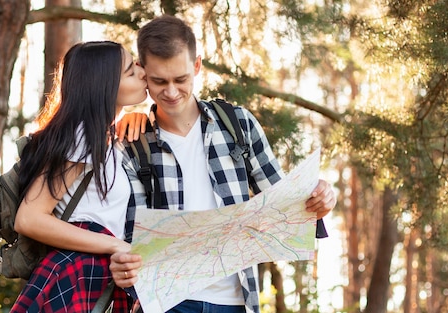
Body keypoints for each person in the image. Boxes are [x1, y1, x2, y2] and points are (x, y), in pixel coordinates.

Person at [112, 15, 336, 313]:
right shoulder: (133, 143)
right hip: (169, 302)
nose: (171, 91)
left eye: (181, 79)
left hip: (235, 299)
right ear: (141, 72)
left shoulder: (237, 124)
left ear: (197, 66)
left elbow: (284, 200)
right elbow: (132, 235)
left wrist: (321, 200)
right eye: (159, 81)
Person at [10, 41, 147, 313]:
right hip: (77, 270)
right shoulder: (82, 136)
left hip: (92, 271)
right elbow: (30, 218)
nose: (142, 72)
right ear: (104, 85)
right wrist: (116, 244)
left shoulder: (103, 137)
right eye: (131, 71)